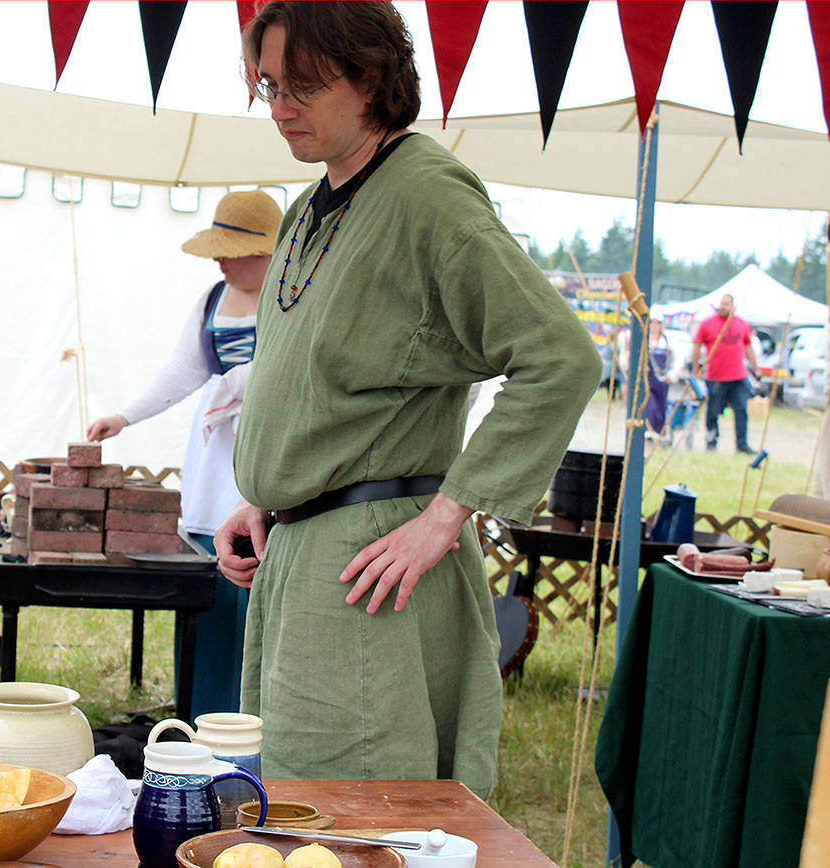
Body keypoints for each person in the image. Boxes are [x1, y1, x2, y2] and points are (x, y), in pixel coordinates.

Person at [214, 1, 601, 798]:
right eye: (269, 86)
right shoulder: (307, 210)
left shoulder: (428, 197)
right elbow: (327, 382)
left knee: (356, 810)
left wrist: (447, 515)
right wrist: (268, 497)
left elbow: (559, 358)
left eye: (304, 87)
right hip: (298, 555)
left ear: (371, 78)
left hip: (368, 571)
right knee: (290, 798)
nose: (281, 108)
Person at [86, 190, 283, 720]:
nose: (218, 259)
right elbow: (182, 371)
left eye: (229, 249)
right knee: (207, 597)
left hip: (268, 454)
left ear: (267, 251)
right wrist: (124, 416)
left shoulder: (295, 299)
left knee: (254, 605)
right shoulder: (212, 299)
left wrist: (244, 380)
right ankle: (199, 718)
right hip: (213, 461)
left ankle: (252, 724)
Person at [690, 292, 759, 454]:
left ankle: (742, 444)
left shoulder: (742, 324)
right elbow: (697, 345)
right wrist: (695, 368)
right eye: (721, 304)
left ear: (732, 306)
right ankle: (711, 441)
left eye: (726, 304)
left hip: (738, 375)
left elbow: (748, 346)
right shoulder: (707, 324)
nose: (723, 307)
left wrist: (755, 367)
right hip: (716, 376)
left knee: (741, 409)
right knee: (713, 411)